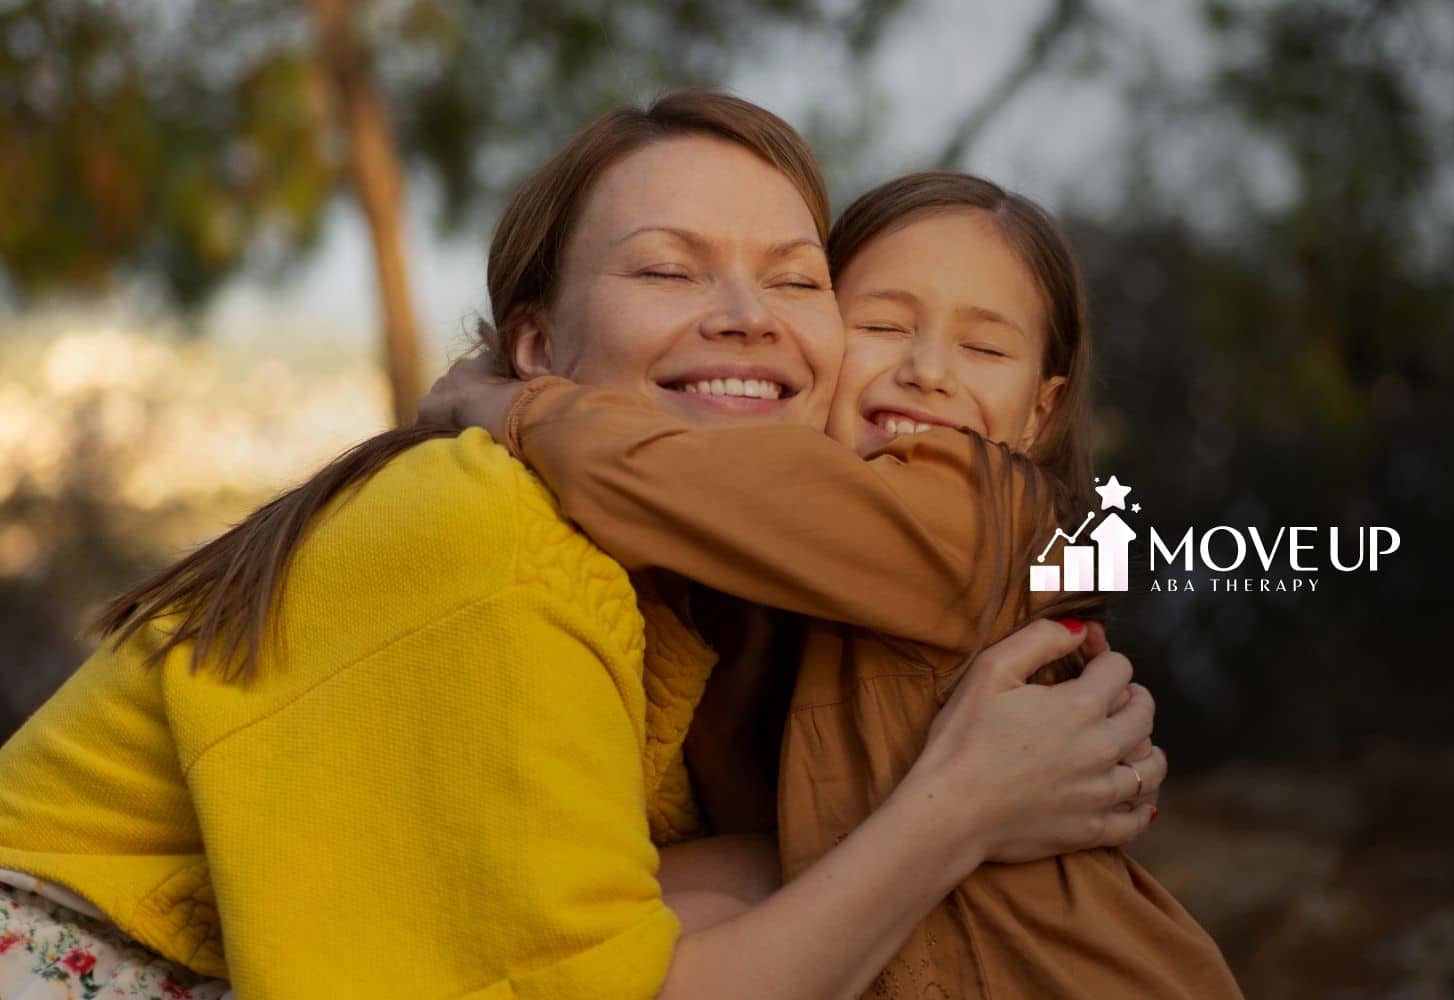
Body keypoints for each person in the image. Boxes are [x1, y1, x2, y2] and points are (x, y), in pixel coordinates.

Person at [0, 93, 1160, 999]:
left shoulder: (709, 603)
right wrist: (960, 806)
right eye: (665, 267)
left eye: (796, 280)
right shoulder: (485, 534)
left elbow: (719, 889)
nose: (748, 313)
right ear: (538, 345)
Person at [422, 170, 1243, 997]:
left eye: (985, 348)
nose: (928, 371)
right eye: (882, 325)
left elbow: (678, 478)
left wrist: (506, 403)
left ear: (1041, 410)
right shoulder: (778, 578)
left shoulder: (975, 508)